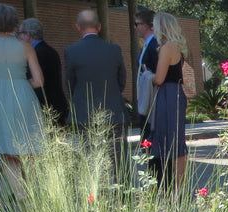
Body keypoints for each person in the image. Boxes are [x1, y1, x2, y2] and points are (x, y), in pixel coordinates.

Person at [0, 3, 44, 204]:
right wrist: (21, 84)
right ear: (15, 23)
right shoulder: (25, 47)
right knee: (30, 150)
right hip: (24, 96)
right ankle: (33, 195)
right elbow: (39, 81)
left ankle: (21, 195)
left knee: (7, 152)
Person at [64, 8, 128, 179]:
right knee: (118, 160)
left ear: (78, 27)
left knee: (90, 161)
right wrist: (112, 95)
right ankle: (124, 198)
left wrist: (77, 100)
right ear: (99, 27)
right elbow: (122, 79)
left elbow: (69, 83)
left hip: (85, 114)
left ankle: (94, 199)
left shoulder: (71, 51)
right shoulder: (114, 49)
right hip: (114, 111)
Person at [149, 12, 189, 192]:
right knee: (176, 140)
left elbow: (159, 78)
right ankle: (178, 189)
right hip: (175, 94)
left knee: (170, 140)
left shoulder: (166, 48)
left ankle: (176, 189)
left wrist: (146, 77)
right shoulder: (178, 47)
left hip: (168, 95)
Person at [18, 17, 68, 127]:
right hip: (55, 106)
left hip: (46, 109)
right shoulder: (49, 50)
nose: (19, 37)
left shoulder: (37, 53)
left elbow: (38, 82)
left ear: (28, 34)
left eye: (20, 33)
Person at [133, 7, 159, 138]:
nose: (135, 27)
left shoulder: (156, 46)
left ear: (146, 26)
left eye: (137, 24)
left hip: (152, 99)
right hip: (145, 97)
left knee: (149, 135)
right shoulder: (146, 46)